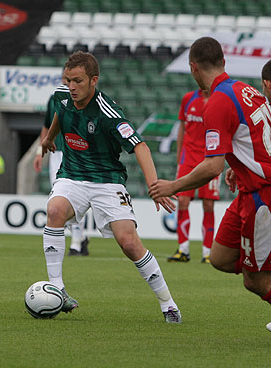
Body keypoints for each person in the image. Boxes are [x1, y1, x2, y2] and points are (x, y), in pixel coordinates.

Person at [40, 51, 182, 323]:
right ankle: (58, 290)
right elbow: (60, 113)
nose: (71, 86)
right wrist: (49, 139)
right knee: (55, 210)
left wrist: (154, 184)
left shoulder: (109, 112)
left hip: (107, 180)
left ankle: (168, 304)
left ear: (94, 80)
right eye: (68, 80)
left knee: (129, 243)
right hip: (72, 175)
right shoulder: (61, 95)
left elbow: (140, 146)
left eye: (78, 81)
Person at [149, 37, 271, 331]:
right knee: (220, 257)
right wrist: (237, 163)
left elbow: (211, 167)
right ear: (223, 62)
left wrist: (173, 186)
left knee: (253, 280)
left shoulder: (217, 102)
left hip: (262, 195)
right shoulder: (246, 89)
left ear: (194, 68)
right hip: (247, 191)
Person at [168, 89, 221, 264]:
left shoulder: (219, 100)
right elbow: (182, 127)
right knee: (182, 201)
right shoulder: (188, 98)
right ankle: (183, 250)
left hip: (210, 158)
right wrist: (179, 157)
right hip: (188, 158)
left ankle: (207, 252)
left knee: (208, 204)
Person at [33, 93, 89, 256]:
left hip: (76, 152)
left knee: (76, 196)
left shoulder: (85, 99)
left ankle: (77, 242)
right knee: (59, 197)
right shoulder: (54, 99)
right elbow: (46, 127)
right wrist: (39, 152)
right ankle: (80, 238)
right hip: (56, 153)